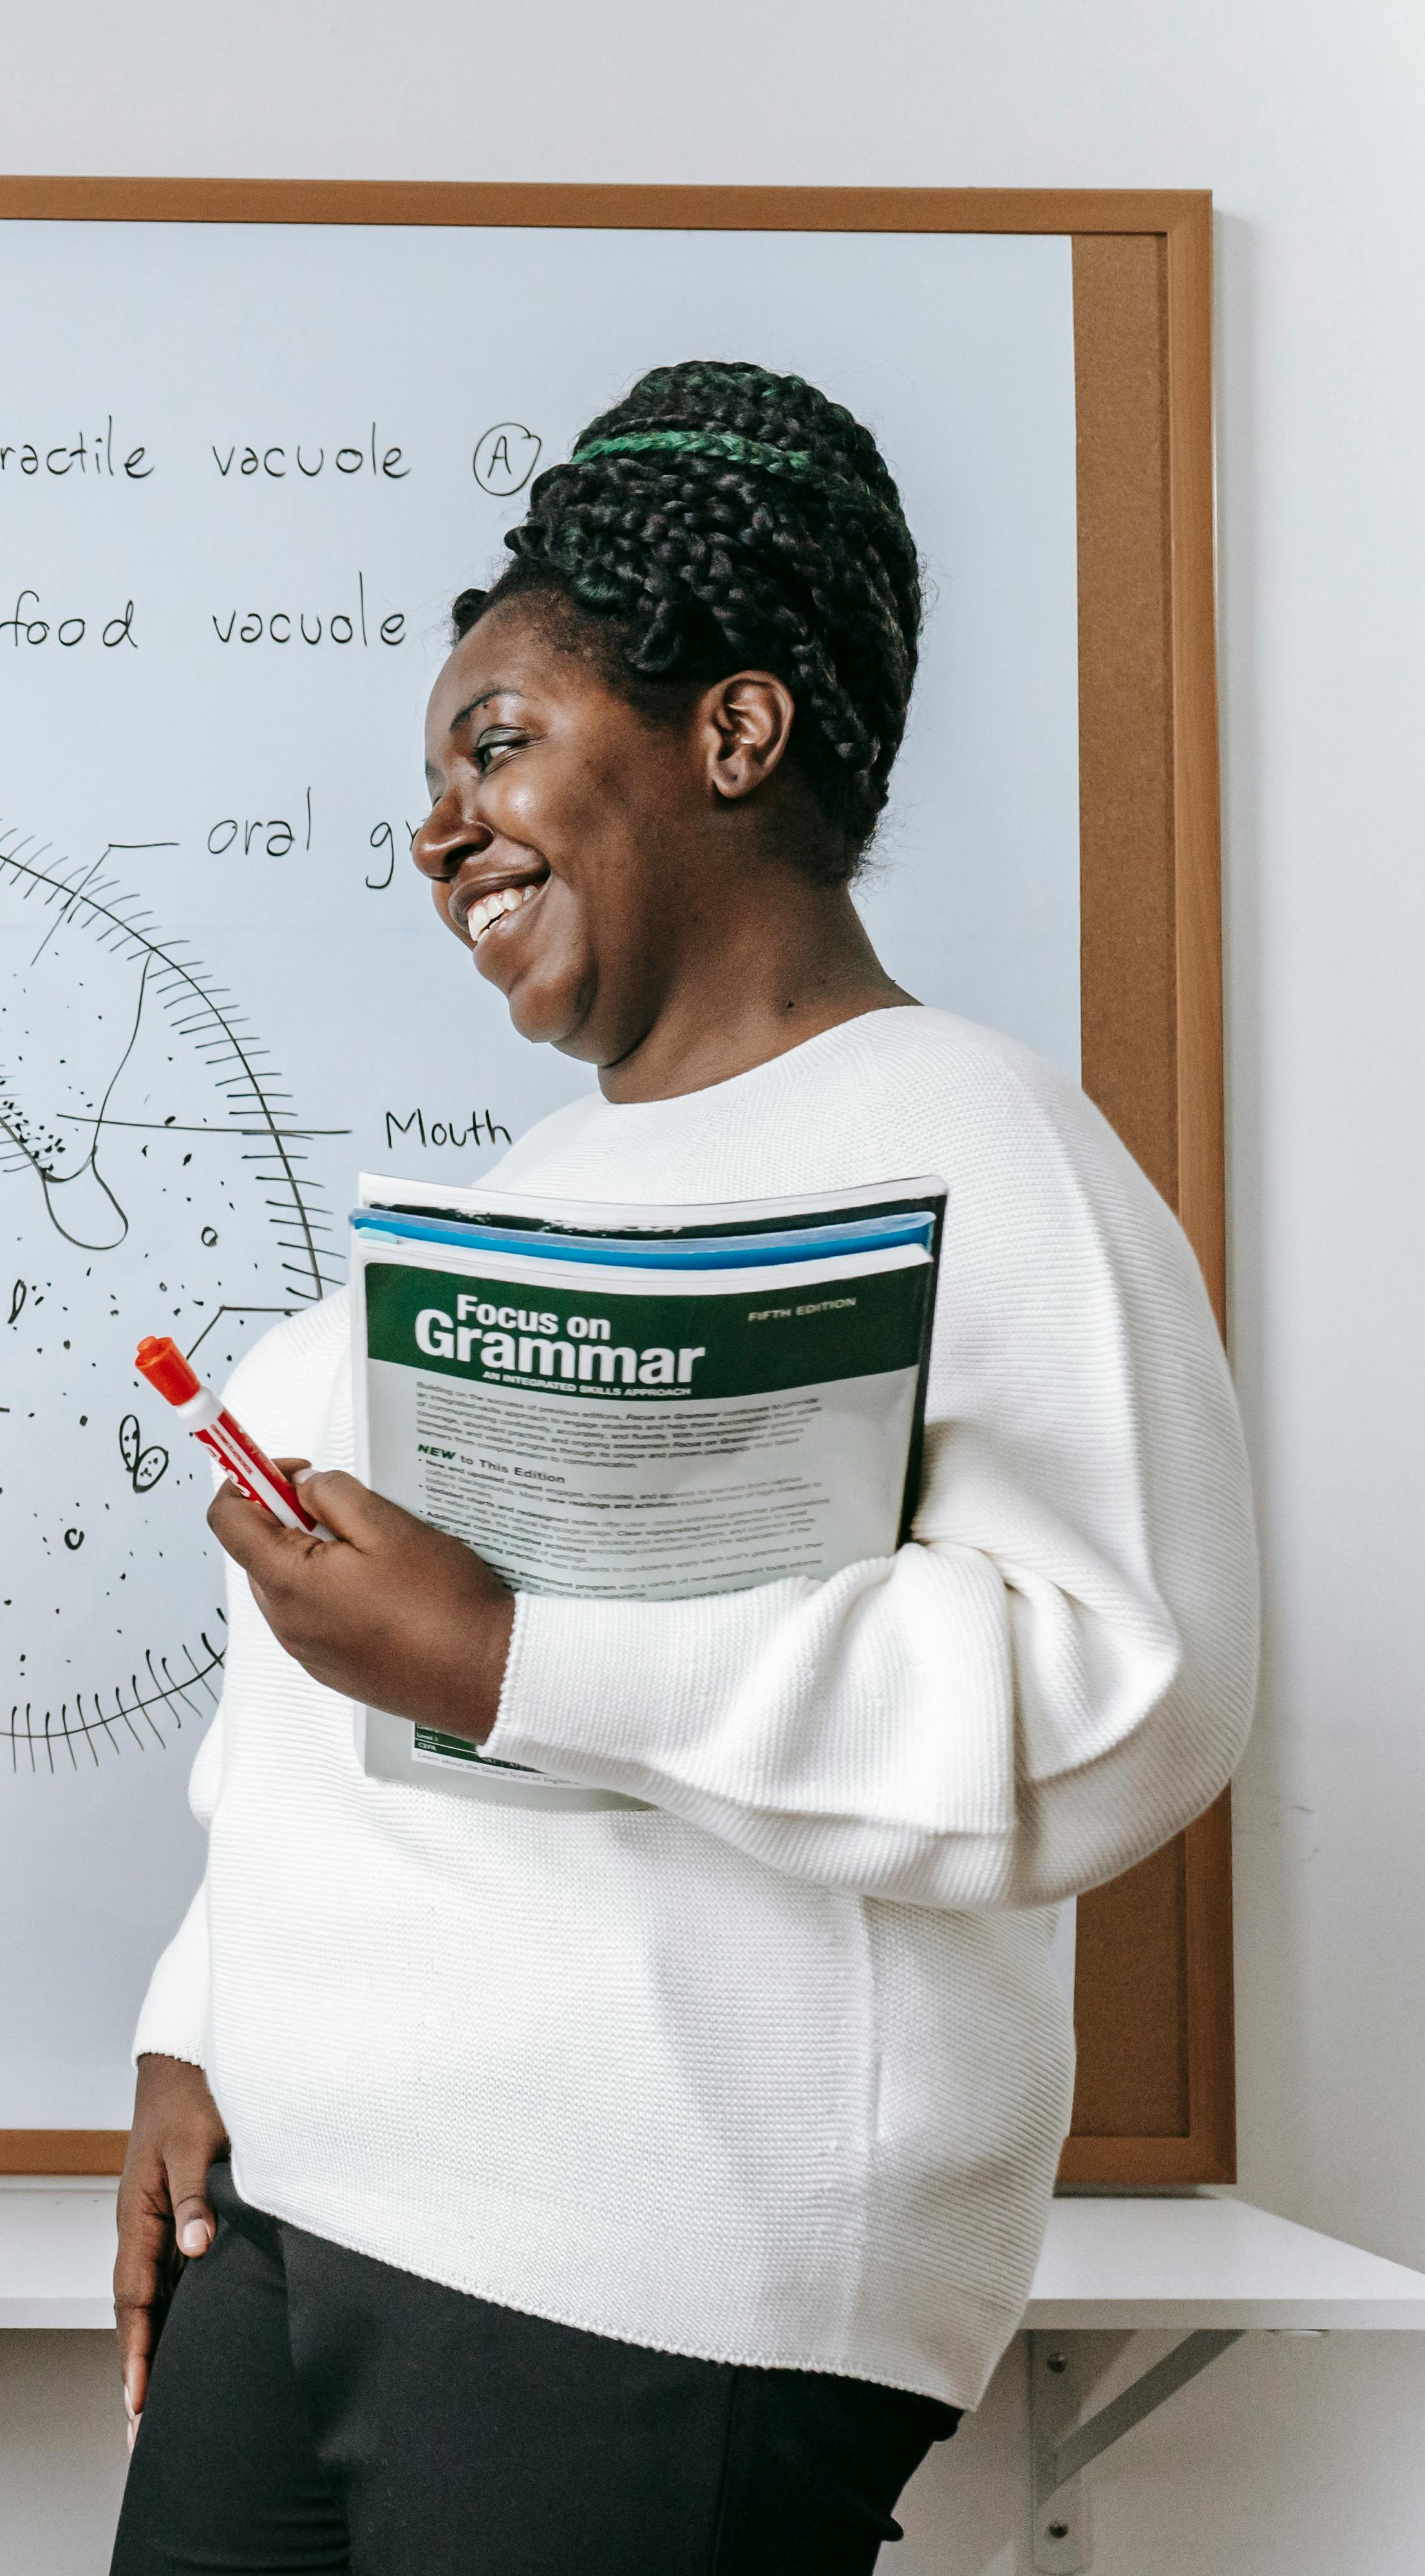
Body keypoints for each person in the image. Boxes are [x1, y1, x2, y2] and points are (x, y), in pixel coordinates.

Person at [108, 363, 1256, 2575]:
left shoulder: (983, 1151)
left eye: (498, 743)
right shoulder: (527, 1192)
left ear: (736, 736)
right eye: (434, 777)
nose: (440, 828)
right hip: (293, 2219)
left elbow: (1130, 1689)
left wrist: (525, 1657)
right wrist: (198, 2021)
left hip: (654, 2278)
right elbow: (309, 1698)